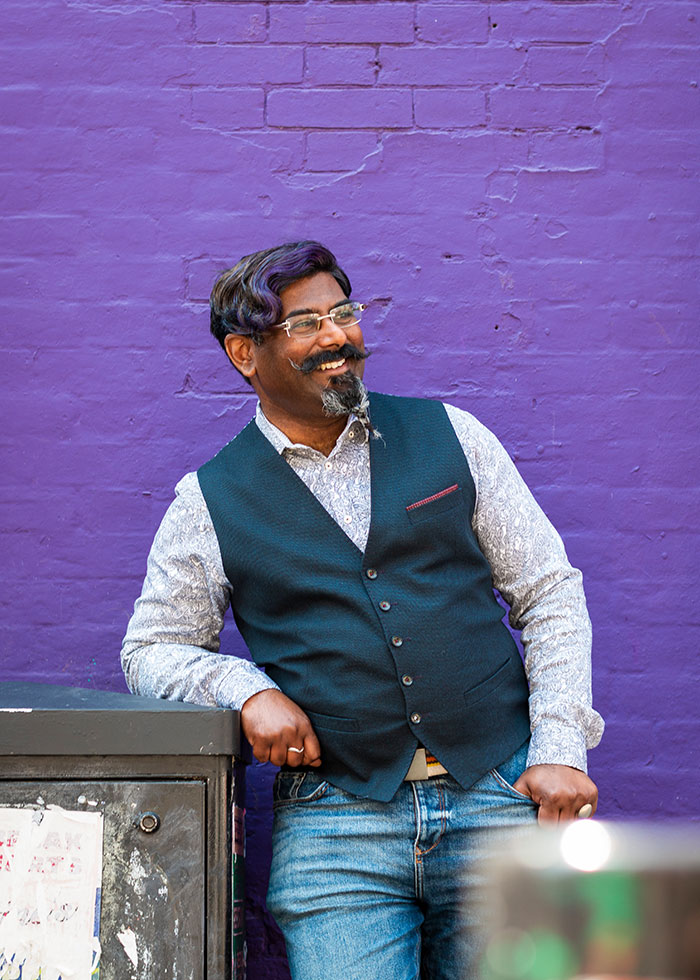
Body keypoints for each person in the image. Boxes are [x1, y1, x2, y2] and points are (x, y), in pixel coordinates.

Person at [122, 240, 604, 979]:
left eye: (343, 313)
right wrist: (246, 689)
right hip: (337, 825)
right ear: (244, 354)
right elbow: (149, 651)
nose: (338, 337)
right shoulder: (208, 500)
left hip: (500, 796)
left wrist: (560, 746)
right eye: (305, 323)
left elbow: (549, 593)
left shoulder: (454, 436)